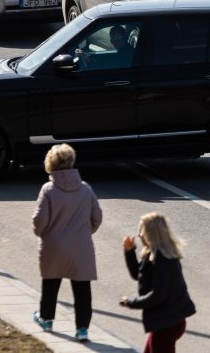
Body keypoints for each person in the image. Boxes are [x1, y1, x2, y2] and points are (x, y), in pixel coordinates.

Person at [31, 144, 103, 343]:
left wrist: (42, 234)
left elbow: (39, 219)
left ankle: (46, 319)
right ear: (71, 162)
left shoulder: (48, 189)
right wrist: (87, 232)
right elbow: (97, 217)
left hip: (53, 245)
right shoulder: (85, 189)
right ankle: (82, 330)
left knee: (50, 283)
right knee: (82, 289)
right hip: (81, 246)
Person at [120, 213, 196, 353]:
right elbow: (138, 275)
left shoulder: (162, 259)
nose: (139, 235)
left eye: (141, 231)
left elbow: (158, 295)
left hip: (167, 323)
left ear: (150, 233)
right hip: (167, 321)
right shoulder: (153, 253)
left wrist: (132, 302)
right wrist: (130, 252)